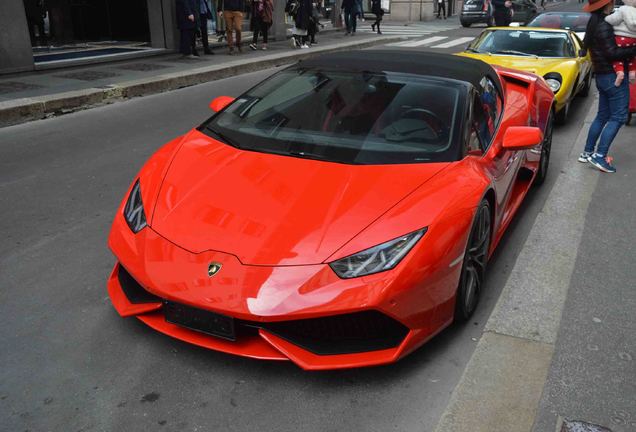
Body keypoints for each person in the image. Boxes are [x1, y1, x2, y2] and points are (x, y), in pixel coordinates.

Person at [578, 0, 636, 172]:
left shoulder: (594, 23)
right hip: (612, 76)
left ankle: (587, 152)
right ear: (606, 5)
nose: (613, 4)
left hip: (602, 76)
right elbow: (613, 53)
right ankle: (600, 156)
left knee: (602, 115)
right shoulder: (604, 25)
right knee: (618, 116)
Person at [605, 0, 636, 86]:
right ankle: (632, 72)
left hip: (621, 39)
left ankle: (619, 72)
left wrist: (606, 18)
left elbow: (612, 20)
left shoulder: (623, 9)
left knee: (617, 58)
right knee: (632, 57)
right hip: (634, 40)